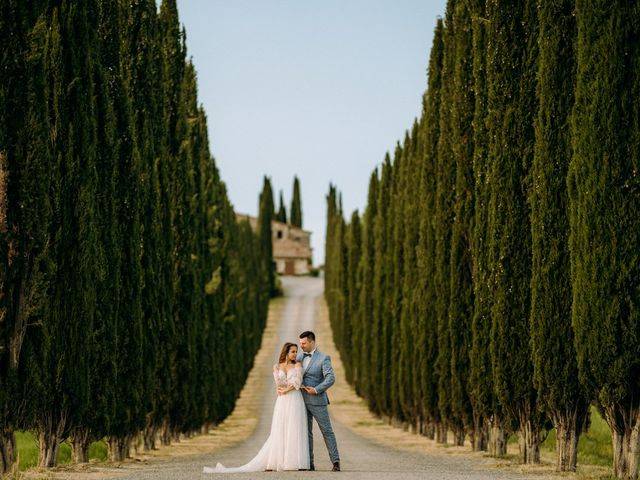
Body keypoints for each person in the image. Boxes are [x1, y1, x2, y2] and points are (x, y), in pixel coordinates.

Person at [203, 342, 309, 473]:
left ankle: (293, 461)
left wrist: (286, 390)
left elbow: (297, 383)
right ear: (286, 352)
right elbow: (278, 383)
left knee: (293, 427)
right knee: (280, 428)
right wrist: (282, 386)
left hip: (294, 399)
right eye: (293, 351)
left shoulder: (298, 365)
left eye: (296, 351)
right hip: (282, 400)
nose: (295, 354)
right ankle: (277, 460)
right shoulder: (277, 366)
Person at [297, 330, 341, 472]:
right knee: (306, 433)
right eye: (300, 343)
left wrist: (316, 389)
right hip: (301, 401)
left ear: (312, 342)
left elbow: (330, 378)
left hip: (318, 401)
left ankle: (336, 462)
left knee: (327, 431)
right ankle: (309, 463)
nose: (301, 346)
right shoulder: (298, 357)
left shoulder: (323, 358)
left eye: (303, 343)